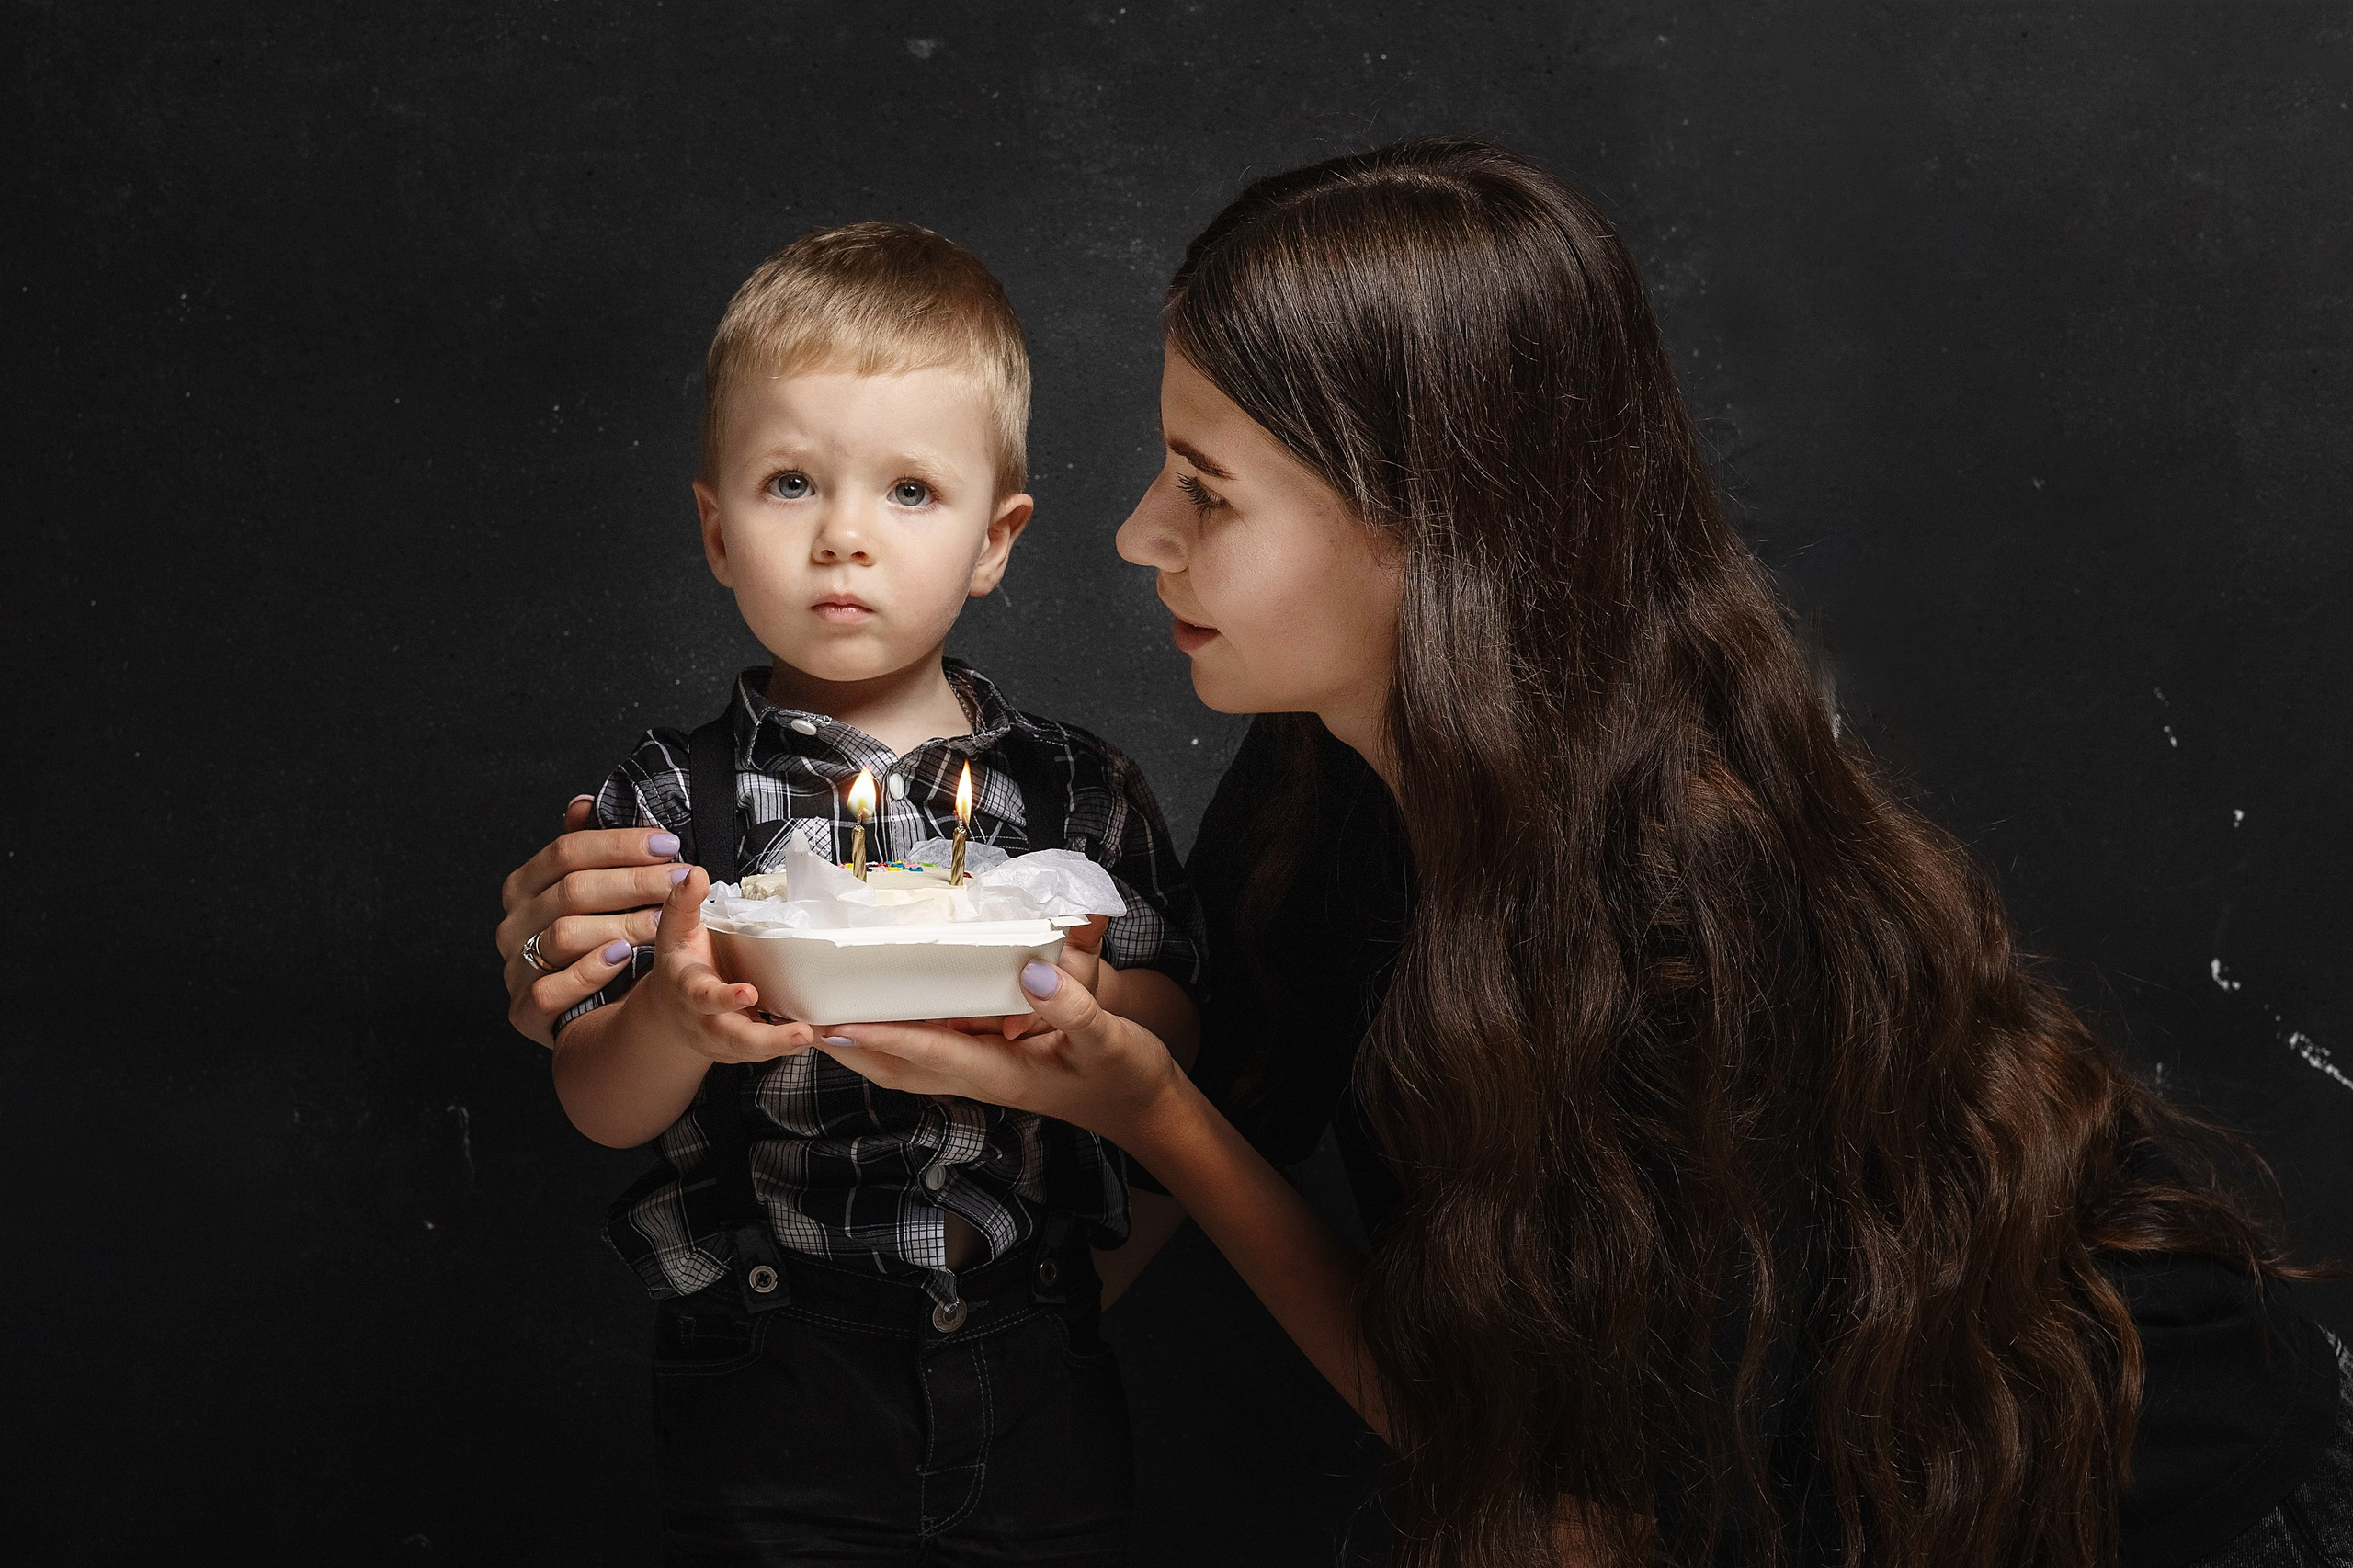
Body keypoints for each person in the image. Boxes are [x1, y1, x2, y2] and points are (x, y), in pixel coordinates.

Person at [504, 144, 2353, 1568]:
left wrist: (1144, 1112)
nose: (1137, 535)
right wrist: (624, 970)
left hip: (2119, 1501)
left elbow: (1557, 1507)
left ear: (1419, 532)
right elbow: (1117, 1180)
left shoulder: (1684, 921)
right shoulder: (1310, 798)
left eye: (1204, 489)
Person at [506, 221, 1204, 1566]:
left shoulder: (1082, 795)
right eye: (787, 484)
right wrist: (678, 1024)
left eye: (910, 492)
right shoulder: (667, 805)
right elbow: (595, 1098)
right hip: (772, 1378)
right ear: (713, 528)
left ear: (998, 540)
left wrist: (1092, 992)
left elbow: (1180, 1037)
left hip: (1034, 1366)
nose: (842, 539)